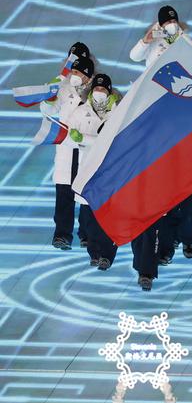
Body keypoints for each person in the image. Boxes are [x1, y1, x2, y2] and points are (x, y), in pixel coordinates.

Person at [65, 73, 121, 269]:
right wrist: (76, 137)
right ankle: (95, 253)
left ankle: (107, 254)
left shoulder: (118, 112)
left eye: (103, 89)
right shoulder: (81, 112)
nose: (99, 92)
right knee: (89, 217)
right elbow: (70, 136)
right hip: (87, 170)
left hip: (109, 172)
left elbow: (110, 143)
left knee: (107, 214)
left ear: (109, 91)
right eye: (96, 88)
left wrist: (85, 139)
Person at [44, 56, 95, 250]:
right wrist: (48, 97)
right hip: (66, 148)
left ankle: (86, 234)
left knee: (84, 192)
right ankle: (62, 234)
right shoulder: (63, 89)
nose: (75, 75)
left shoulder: (96, 91)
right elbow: (47, 109)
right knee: (64, 192)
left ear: (88, 76)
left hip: (85, 149)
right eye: (74, 71)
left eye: (80, 72)